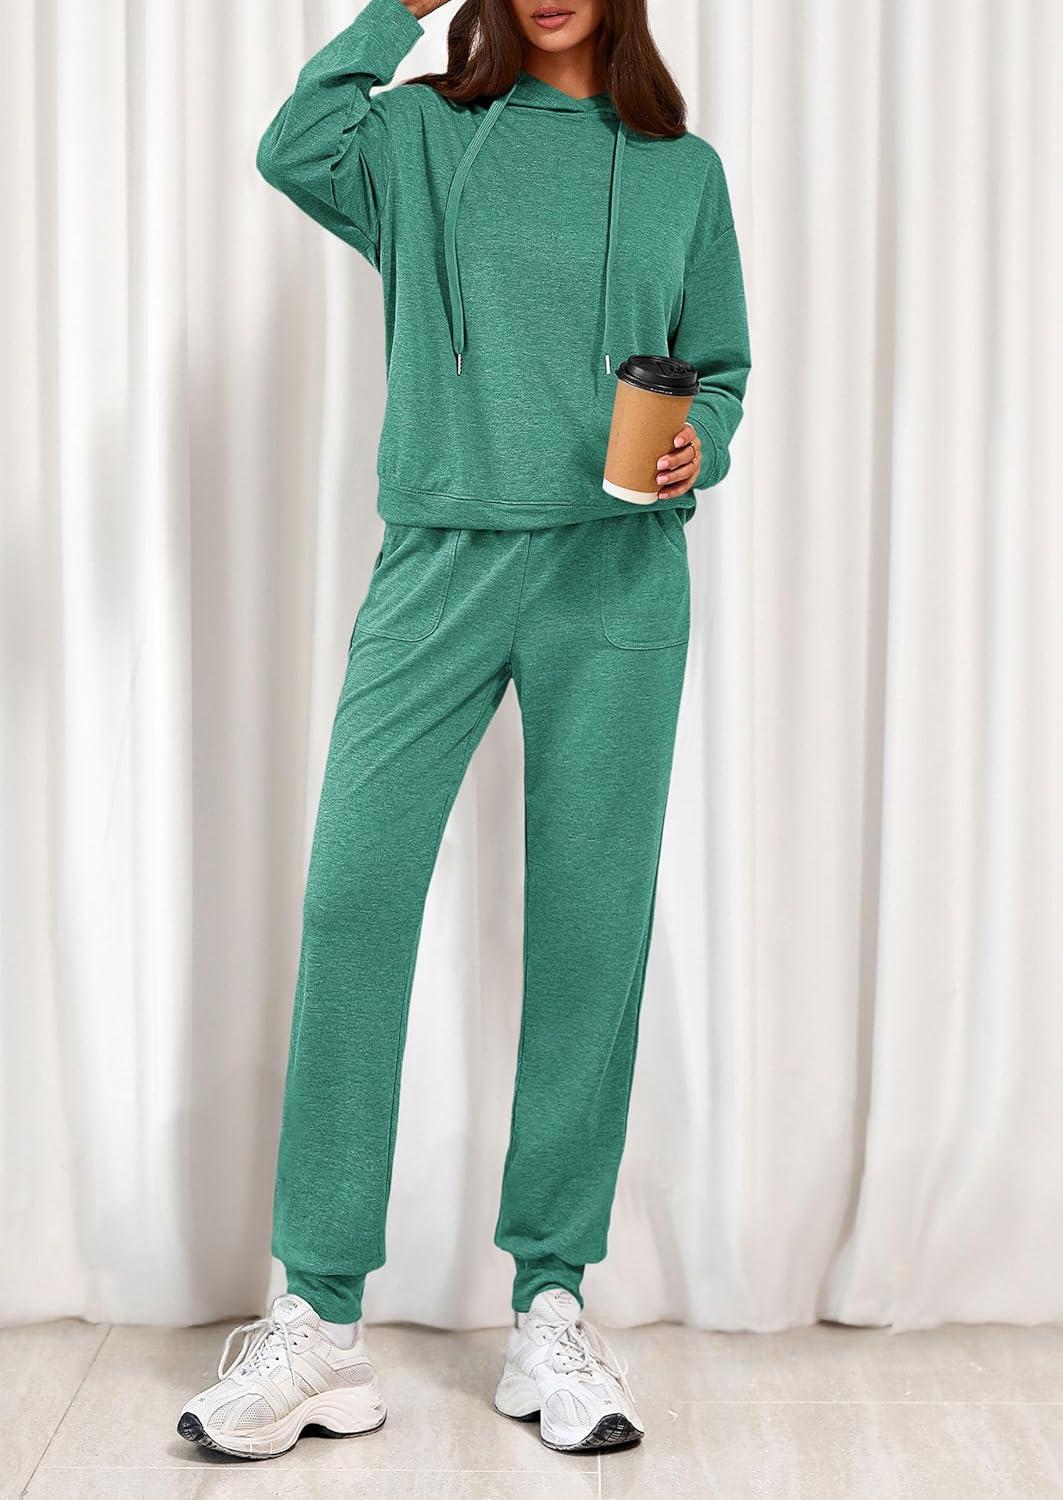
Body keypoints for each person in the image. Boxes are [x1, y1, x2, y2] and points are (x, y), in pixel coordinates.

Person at [178, 0, 749, 1461]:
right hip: (437, 559)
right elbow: (294, 142)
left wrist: (703, 444)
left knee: (590, 926)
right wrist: (401, 10)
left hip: (617, 574)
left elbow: (721, 365)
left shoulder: (679, 169)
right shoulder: (421, 140)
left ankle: (550, 1303)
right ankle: (319, 1322)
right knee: (354, 900)